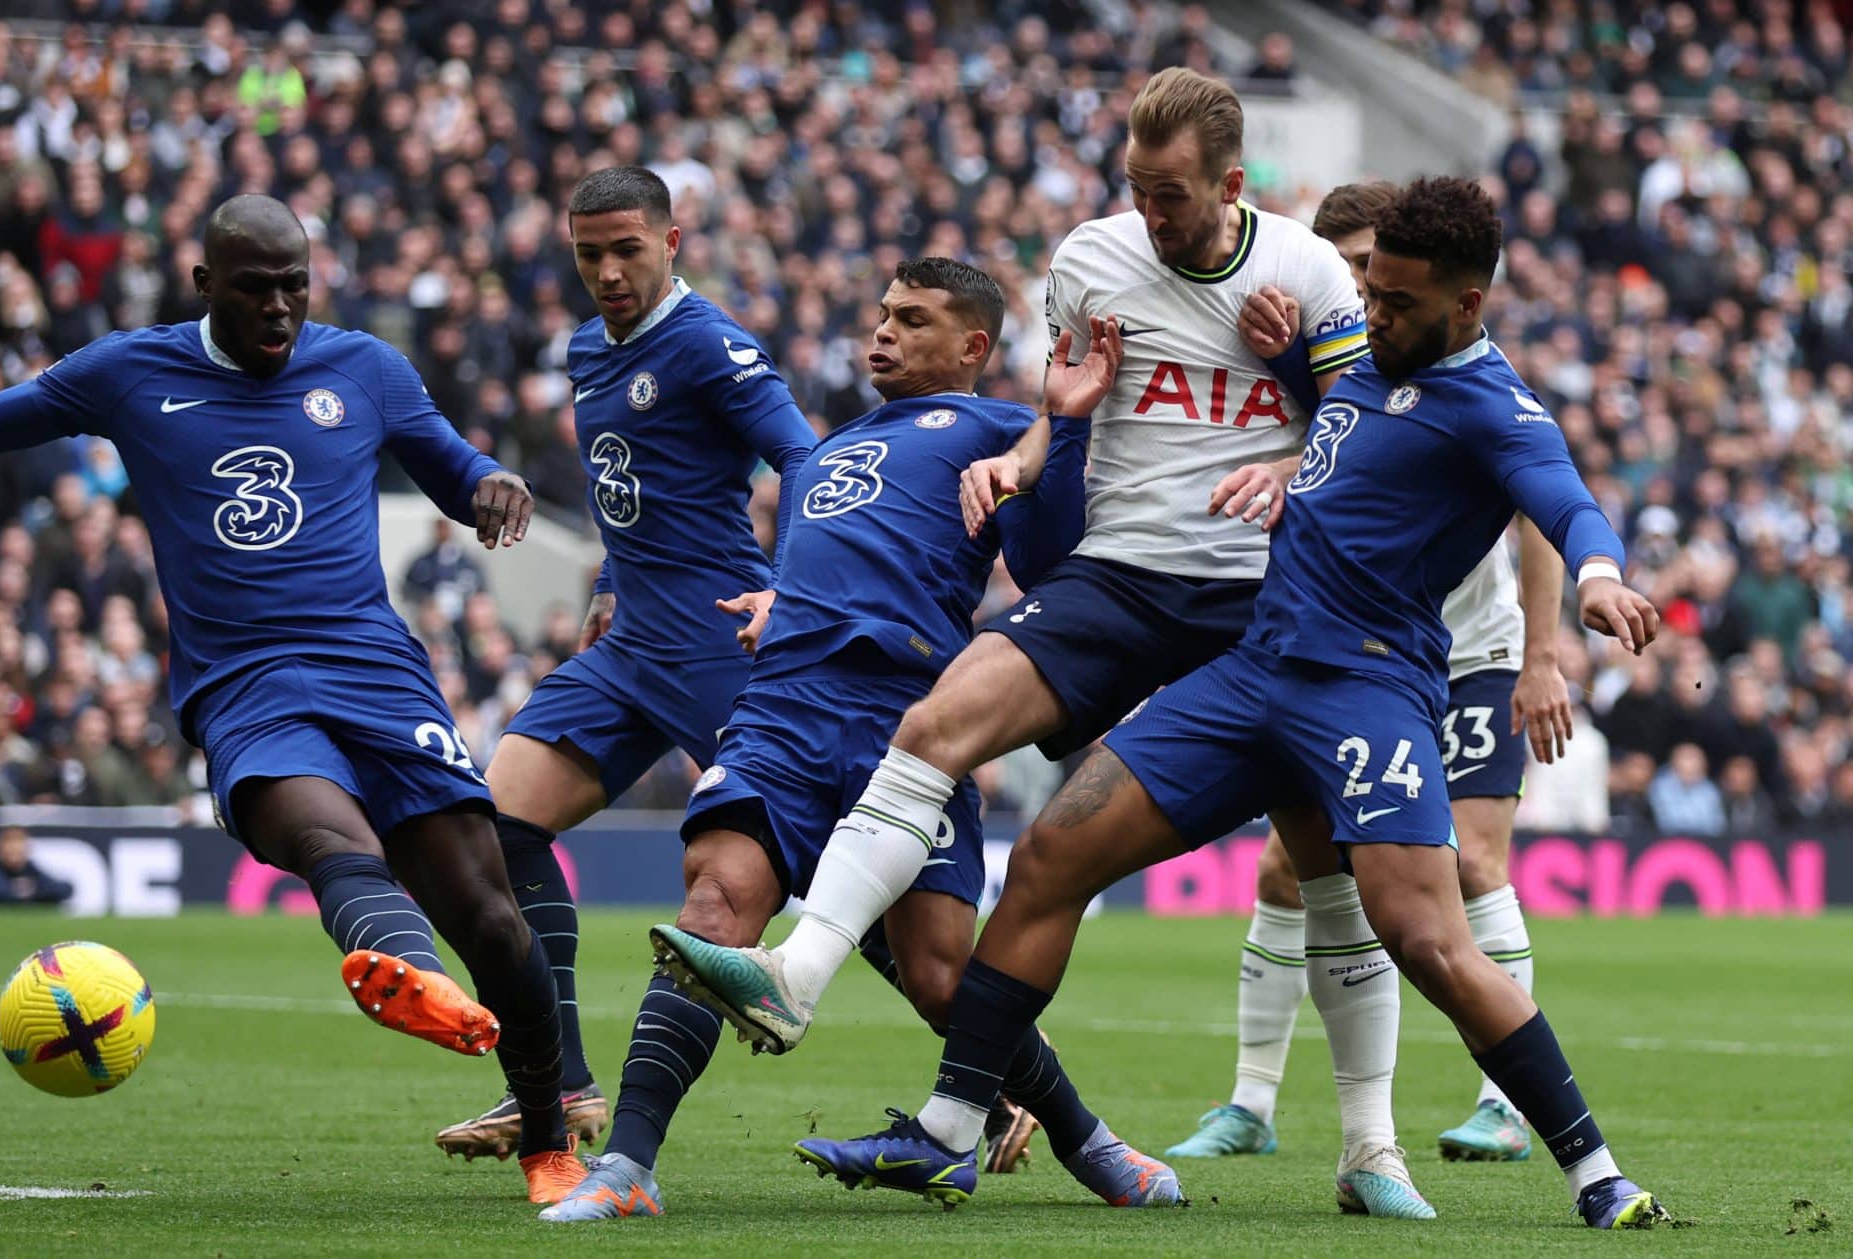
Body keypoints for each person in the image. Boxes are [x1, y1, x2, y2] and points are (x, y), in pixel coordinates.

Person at [797, 177, 1671, 1231]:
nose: (1371, 311)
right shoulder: (1352, 360)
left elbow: (1567, 504)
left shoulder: (1495, 409)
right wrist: (1277, 355)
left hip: (1366, 691)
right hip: (1249, 679)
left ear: (1467, 306)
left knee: (1429, 938)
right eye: (1365, 288)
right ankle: (945, 1130)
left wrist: (1595, 582)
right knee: (1046, 857)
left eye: (1394, 300)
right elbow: (1311, 409)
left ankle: (1595, 1171)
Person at [663, 65, 1384, 1186]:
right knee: (942, 724)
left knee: (1326, 864)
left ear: (1231, 184)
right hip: (1122, 576)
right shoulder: (1091, 259)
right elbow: (1066, 414)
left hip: (1260, 593)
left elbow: (1362, 414)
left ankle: (1367, 1146)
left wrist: (1292, 430)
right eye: (1136, 188)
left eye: (1173, 195)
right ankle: (798, 974)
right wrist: (1030, 446)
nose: (1149, 214)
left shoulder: (1308, 267)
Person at [0, 195, 587, 1204]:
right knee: (320, 834)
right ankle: (403, 970)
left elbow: (450, 465)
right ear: (203, 283)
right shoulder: (130, 372)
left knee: (488, 914)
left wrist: (492, 482)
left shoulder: (366, 369)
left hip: (374, 668)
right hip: (245, 683)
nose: (278, 309)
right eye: (255, 287)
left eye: (294, 287)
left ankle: (545, 1136)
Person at [546, 259, 1178, 1220]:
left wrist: (1072, 420)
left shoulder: (1003, 430)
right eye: (882, 314)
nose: (881, 332)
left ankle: (1088, 1141)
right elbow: (839, 559)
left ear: (972, 345)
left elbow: (1049, 562)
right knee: (715, 910)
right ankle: (628, 1168)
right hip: (786, 707)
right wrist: (780, 599)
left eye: (911, 319)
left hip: (911, 718)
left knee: (938, 975)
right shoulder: (830, 448)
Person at [1164, 182, 1574, 1188]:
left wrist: (1541, 653)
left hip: (1468, 651)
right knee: (1282, 874)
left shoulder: (1479, 392)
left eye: (1364, 266)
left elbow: (1543, 519)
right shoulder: (1350, 363)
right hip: (1353, 662)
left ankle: (1504, 1103)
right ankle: (1253, 1102)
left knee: (1469, 866)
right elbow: (1330, 445)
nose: (1353, 287)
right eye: (1341, 267)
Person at [432, 166, 817, 1162]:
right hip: (631, 640)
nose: (607, 271)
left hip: (718, 638)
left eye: (626, 249)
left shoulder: (709, 344)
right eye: (589, 253)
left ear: (672, 240)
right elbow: (632, 486)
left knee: (827, 865)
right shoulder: (583, 349)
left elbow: (807, 461)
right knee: (493, 822)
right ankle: (554, 1085)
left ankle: (991, 1081)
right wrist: (607, 576)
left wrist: (791, 588)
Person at [0, 825, 74, 905]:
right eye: (11, 852)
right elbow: (1, 895)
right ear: (0, 851)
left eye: (19, 852)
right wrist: (29, 892)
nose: (15, 857)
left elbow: (63, 889)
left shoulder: (29, 867)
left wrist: (32, 890)